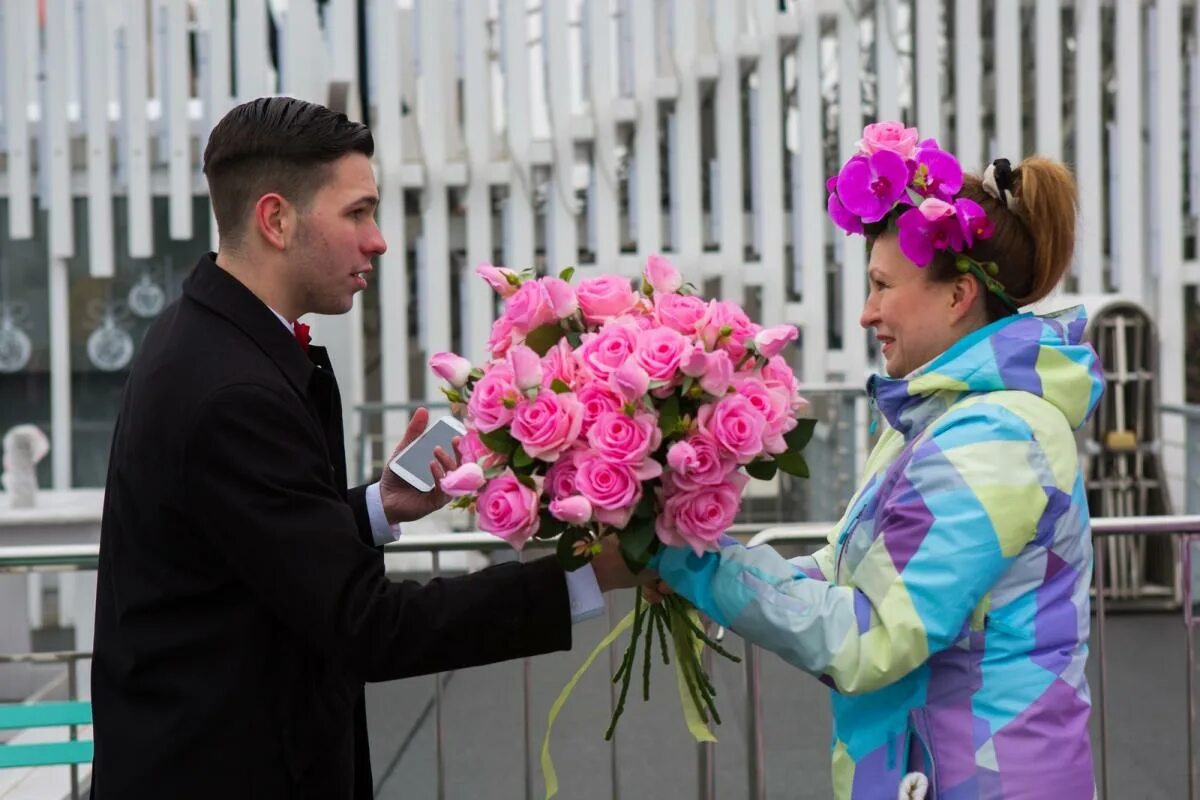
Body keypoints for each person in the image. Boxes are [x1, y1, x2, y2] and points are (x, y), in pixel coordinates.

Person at [90, 96, 643, 799]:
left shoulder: (206, 339)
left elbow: (253, 548)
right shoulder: (233, 389)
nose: (378, 240)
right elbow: (367, 624)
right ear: (276, 219)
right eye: (357, 212)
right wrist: (587, 571)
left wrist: (379, 508)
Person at [650, 125, 1103, 798]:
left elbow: (869, 638)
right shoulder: (942, 418)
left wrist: (689, 563)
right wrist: (695, 557)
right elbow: (846, 572)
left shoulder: (993, 438)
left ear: (958, 297)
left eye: (882, 285)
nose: (866, 313)